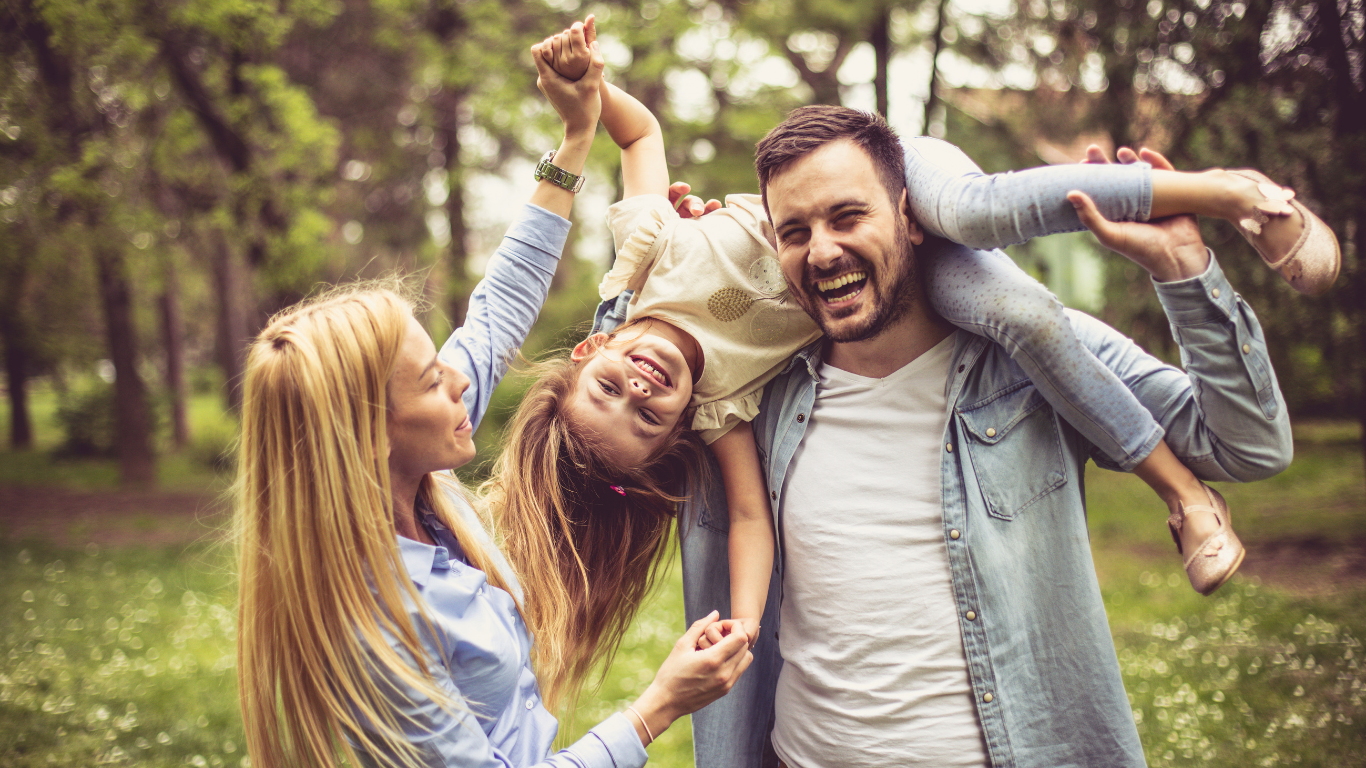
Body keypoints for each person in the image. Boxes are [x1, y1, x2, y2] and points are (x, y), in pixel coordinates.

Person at [506, 16, 1332, 682]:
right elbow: (749, 518)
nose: (640, 392)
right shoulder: (729, 403)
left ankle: (1232, 192)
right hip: (915, 268)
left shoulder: (646, 254)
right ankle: (1182, 493)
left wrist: (588, 99)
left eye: (610, 389)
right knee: (1025, 316)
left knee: (972, 210)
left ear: (593, 348)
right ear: (677, 431)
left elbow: (639, 138)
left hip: (880, 170)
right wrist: (747, 621)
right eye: (646, 420)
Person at [657, 112, 1296, 767]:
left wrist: (1185, 273)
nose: (821, 251)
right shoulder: (756, 395)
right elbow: (609, 418)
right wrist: (679, 275)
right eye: (795, 232)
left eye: (847, 217)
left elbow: (1247, 448)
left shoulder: (1040, 361)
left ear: (911, 218)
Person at [232, 38, 751, 768]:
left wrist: (574, 136)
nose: (460, 381)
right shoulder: (375, 627)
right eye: (429, 380)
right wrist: (658, 705)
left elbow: (500, 305)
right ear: (366, 437)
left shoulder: (415, 478)